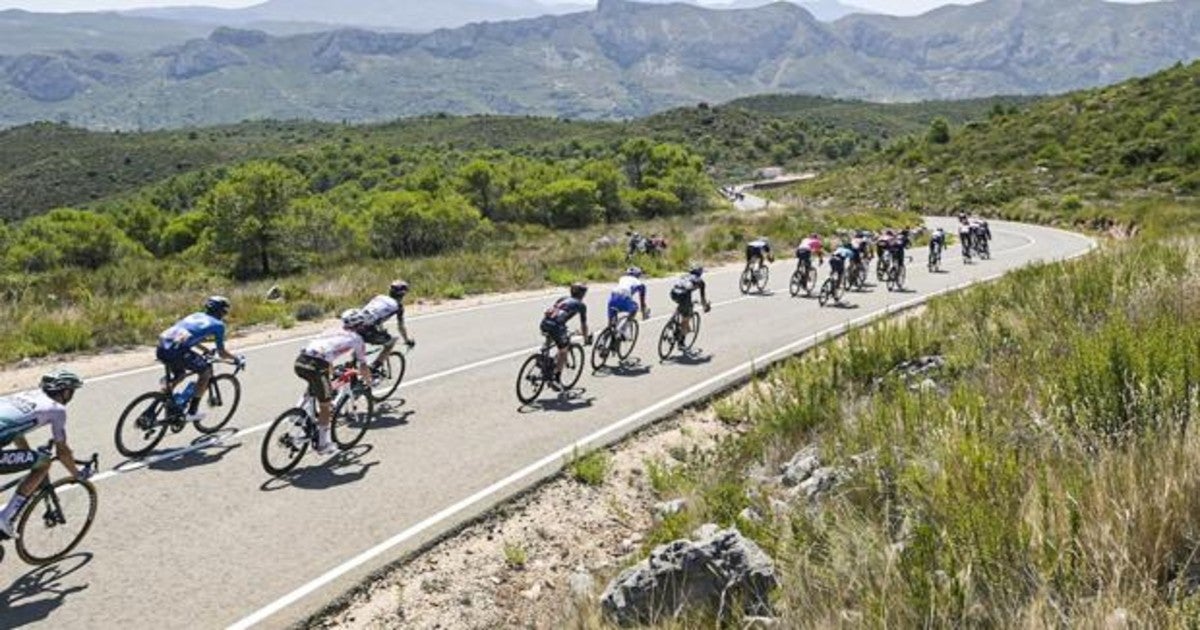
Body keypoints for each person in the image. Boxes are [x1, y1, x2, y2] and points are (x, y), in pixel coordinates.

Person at [0, 369, 88, 539]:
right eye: (73, 392)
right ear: (66, 392)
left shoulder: (24, 395)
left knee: (35, 459)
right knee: (44, 463)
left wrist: (26, 454)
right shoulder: (57, 410)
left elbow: (16, 430)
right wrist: (77, 474)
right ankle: (5, 518)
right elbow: (62, 452)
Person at [294, 309, 373, 456]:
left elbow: (325, 353)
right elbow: (363, 364)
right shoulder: (357, 339)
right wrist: (368, 380)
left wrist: (331, 371)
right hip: (317, 365)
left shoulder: (331, 329)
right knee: (326, 407)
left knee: (313, 385)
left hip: (300, 360)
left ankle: (297, 413)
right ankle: (323, 445)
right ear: (360, 325)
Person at [156, 296, 244, 423]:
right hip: (177, 351)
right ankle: (192, 412)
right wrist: (236, 359)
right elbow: (222, 353)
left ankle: (163, 398)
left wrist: (203, 349)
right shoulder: (218, 325)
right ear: (222, 312)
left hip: (162, 346)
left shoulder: (196, 315)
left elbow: (185, 334)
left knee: (180, 374)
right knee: (206, 372)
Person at [540, 283, 593, 390]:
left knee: (552, 336)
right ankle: (556, 378)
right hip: (557, 326)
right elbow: (583, 325)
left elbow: (556, 313)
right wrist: (586, 339)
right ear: (582, 294)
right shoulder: (581, 305)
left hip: (545, 322)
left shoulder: (563, 299)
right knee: (563, 350)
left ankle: (543, 357)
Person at [360, 280, 416, 376]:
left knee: (358, 343)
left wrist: (380, 329)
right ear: (403, 294)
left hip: (354, 324)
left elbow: (374, 314)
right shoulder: (398, 307)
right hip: (368, 329)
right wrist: (407, 340)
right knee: (392, 342)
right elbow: (401, 327)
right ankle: (374, 368)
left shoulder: (379, 297)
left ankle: (352, 365)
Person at [669, 264, 711, 342]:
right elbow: (703, 299)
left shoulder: (684, 276)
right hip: (684, 295)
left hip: (673, 293)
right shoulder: (700, 282)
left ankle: (673, 320)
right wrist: (706, 307)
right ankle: (681, 340)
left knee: (683, 305)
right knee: (686, 319)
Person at [608, 267, 650, 339]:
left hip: (612, 298)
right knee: (635, 308)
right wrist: (644, 313)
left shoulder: (622, 278)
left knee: (611, 325)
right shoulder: (640, 284)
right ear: (638, 275)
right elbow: (642, 302)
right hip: (624, 299)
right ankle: (623, 329)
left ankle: (604, 342)